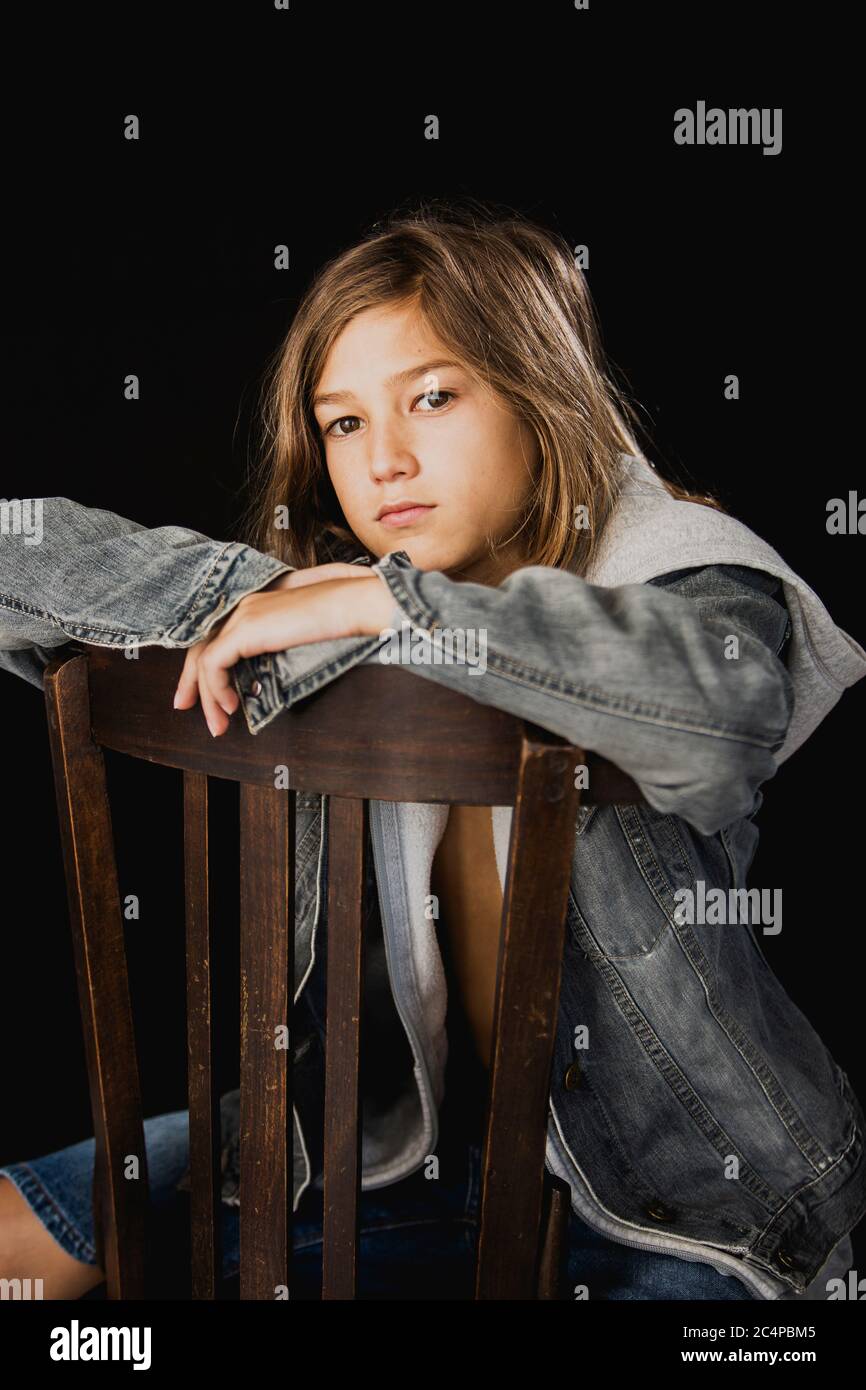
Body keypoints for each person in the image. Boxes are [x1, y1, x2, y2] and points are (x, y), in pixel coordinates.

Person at [1, 197, 864, 1300]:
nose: (384, 461)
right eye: (344, 422)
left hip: (681, 1199)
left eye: (434, 398)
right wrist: (245, 592)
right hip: (396, 1140)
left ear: (538, 397)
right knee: (25, 1242)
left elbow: (718, 715)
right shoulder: (328, 603)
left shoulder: (683, 567)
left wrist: (394, 606)